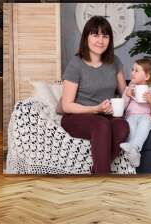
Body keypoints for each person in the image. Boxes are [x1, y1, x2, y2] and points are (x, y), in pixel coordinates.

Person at [60, 16, 129, 174]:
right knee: (101, 125)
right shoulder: (76, 64)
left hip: (104, 116)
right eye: (95, 35)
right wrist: (96, 109)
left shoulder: (114, 62)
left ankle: (97, 173)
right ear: (86, 37)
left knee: (122, 126)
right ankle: (104, 179)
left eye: (105, 36)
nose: (101, 40)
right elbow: (66, 105)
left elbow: (124, 94)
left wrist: (137, 96)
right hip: (77, 117)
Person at [120, 58, 151, 167]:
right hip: (131, 117)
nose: (132, 73)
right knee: (130, 125)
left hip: (146, 117)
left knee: (144, 123)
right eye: (132, 69)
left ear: (147, 76)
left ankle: (134, 147)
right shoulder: (128, 90)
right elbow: (122, 108)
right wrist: (127, 95)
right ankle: (134, 153)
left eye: (136, 70)